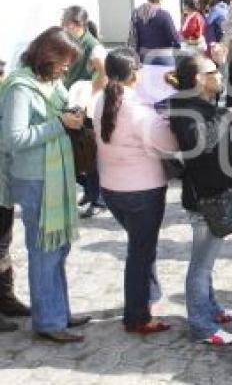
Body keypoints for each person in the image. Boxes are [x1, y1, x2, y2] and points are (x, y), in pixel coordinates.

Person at [0, 27, 89, 342]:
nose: (67, 68)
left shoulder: (49, 81)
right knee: (44, 250)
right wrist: (59, 124)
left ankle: (58, 313)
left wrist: (71, 115)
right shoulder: (20, 88)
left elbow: (57, 116)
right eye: (64, 61)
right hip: (36, 177)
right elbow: (13, 139)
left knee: (59, 247)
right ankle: (49, 322)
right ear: (47, 56)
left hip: (55, 175)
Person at [92, 48, 178, 335]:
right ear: (134, 73)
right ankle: (137, 317)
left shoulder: (101, 100)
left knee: (140, 247)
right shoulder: (139, 110)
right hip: (142, 190)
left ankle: (148, 298)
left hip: (112, 188)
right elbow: (167, 144)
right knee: (140, 253)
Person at [165, 54, 232, 345]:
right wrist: (227, 116)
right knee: (200, 266)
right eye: (214, 71)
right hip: (204, 200)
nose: (221, 74)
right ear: (199, 79)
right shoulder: (185, 110)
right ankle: (201, 326)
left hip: (215, 192)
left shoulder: (198, 103)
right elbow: (202, 143)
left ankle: (211, 310)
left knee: (206, 264)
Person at [61, 6, 108, 218]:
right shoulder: (75, 43)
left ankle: (97, 199)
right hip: (74, 102)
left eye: (65, 23)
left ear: (76, 24)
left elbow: (103, 75)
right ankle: (91, 193)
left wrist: (88, 98)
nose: (63, 27)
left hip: (86, 107)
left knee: (89, 155)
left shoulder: (93, 46)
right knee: (79, 155)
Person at [128, 0, 181, 64]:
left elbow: (132, 36)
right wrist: (178, 47)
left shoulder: (135, 14)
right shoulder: (164, 15)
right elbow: (173, 37)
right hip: (162, 56)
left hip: (142, 56)